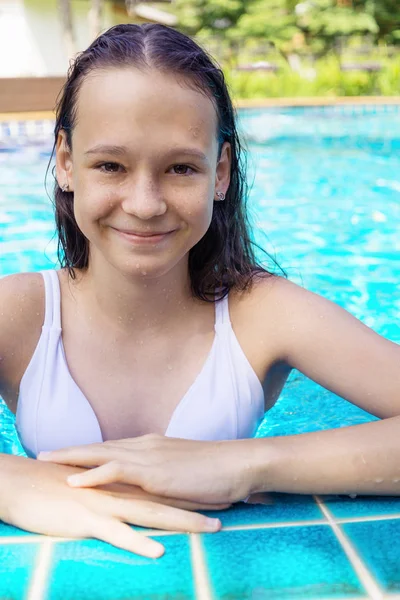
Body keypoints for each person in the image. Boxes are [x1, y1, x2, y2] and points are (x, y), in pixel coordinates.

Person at [1, 23, 400, 560]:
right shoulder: (22, 315)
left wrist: (241, 464)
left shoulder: (262, 314)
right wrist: (14, 481)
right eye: (111, 165)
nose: (145, 204)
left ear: (221, 173)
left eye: (181, 167)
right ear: (68, 163)